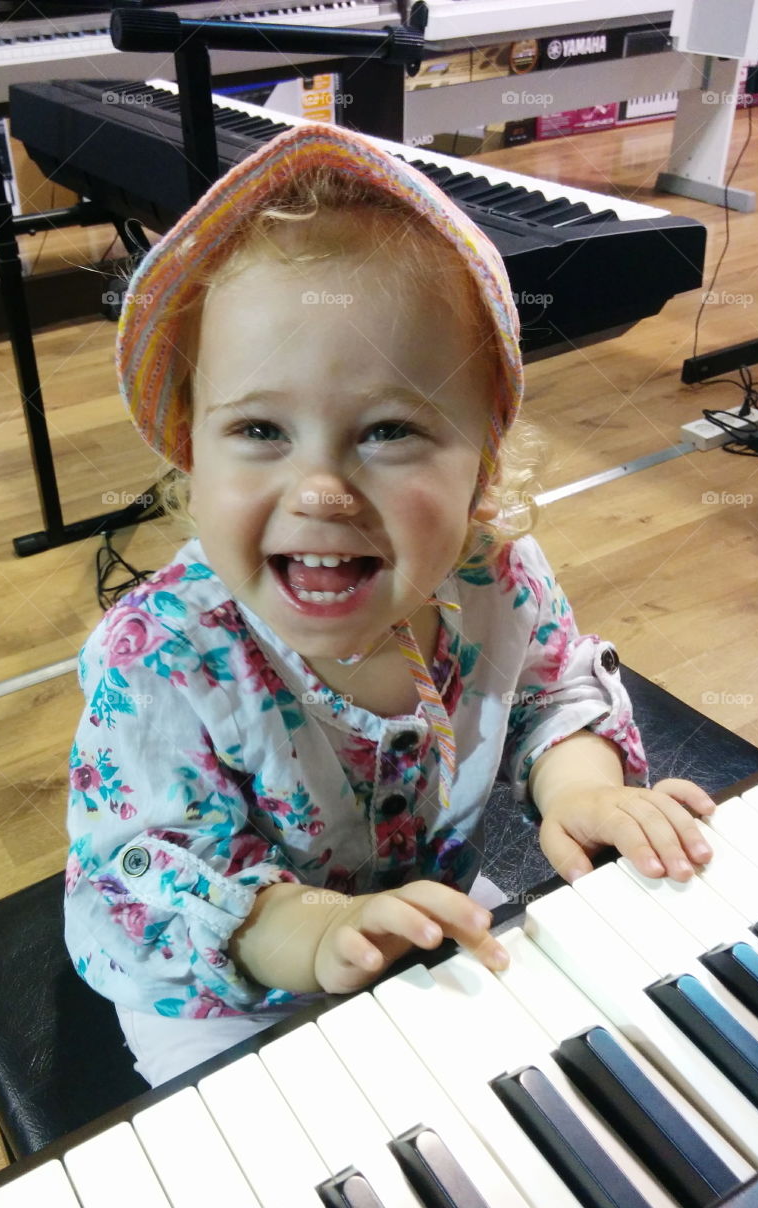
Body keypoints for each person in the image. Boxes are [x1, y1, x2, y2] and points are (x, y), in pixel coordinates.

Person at [66, 121, 716, 1087]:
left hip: (421, 917)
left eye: (388, 429)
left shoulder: (495, 579)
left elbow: (547, 694)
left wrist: (583, 791)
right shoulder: (161, 655)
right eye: (258, 428)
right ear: (190, 455)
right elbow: (143, 876)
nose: (320, 487)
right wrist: (311, 933)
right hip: (225, 987)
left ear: (481, 464)